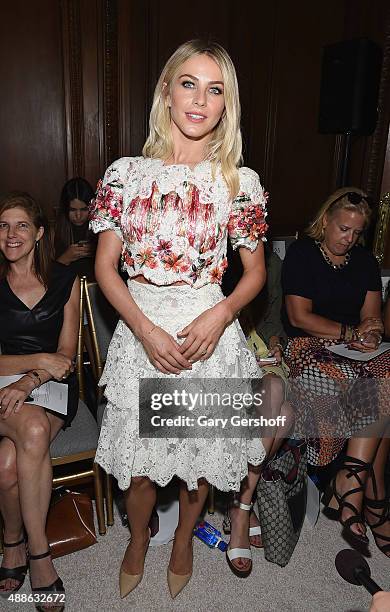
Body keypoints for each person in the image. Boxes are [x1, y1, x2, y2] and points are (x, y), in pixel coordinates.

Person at [90, 39, 279, 598]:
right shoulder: (125, 174)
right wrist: (145, 331)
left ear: (227, 103)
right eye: (189, 84)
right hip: (142, 329)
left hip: (208, 335)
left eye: (214, 89)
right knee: (143, 466)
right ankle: (138, 539)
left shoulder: (239, 182)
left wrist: (221, 316)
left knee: (199, 467)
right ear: (167, 93)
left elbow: (254, 274)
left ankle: (181, 543)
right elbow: (105, 269)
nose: (200, 99)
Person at [281, 187, 390, 555]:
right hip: (309, 347)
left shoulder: (364, 263)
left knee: (385, 370)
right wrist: (349, 333)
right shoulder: (302, 254)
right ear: (325, 220)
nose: (350, 238)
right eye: (344, 228)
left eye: (357, 232)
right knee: (376, 390)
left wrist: (371, 334)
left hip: (354, 350)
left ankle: (352, 480)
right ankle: (370, 497)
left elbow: (372, 317)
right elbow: (299, 316)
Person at [0, 192, 80, 610]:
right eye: (2, 226)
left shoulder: (64, 280)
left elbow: (65, 358)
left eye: (21, 225)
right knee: (30, 430)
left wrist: (30, 378)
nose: (11, 234)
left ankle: (14, 545)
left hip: (50, 386)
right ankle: (41, 556)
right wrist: (36, 359)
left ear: (39, 233)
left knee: (7, 464)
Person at [54, 177, 96, 280]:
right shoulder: (54, 232)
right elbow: (45, 276)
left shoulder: (100, 230)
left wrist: (96, 252)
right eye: (73, 210)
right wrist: (65, 258)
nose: (78, 215)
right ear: (65, 209)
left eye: (84, 209)